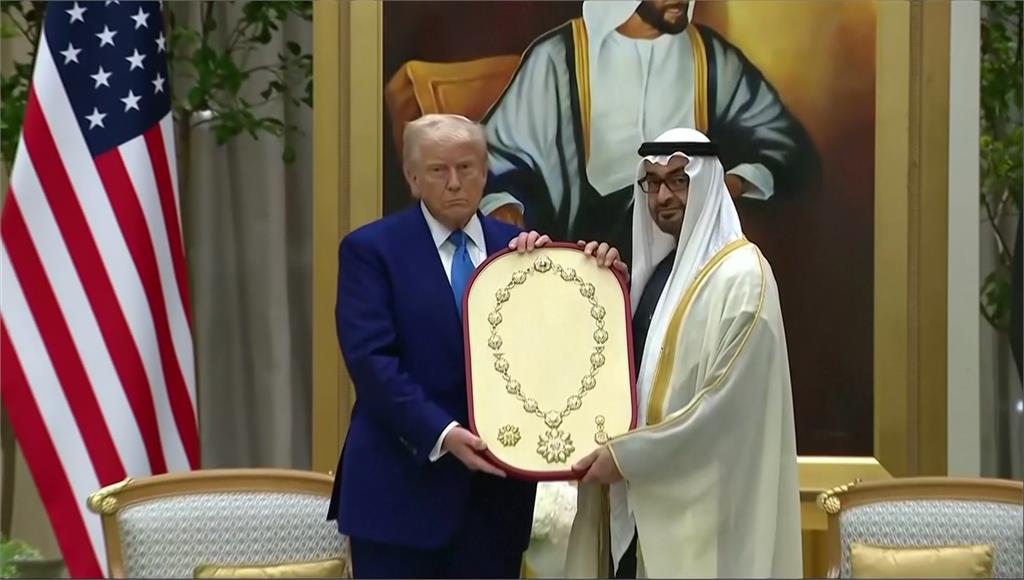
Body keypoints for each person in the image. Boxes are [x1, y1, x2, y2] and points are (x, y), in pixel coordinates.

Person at [563, 128, 803, 578]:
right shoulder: (661, 277)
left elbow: (723, 411)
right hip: (638, 506)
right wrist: (601, 292)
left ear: (707, 183)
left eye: (679, 180)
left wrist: (630, 456)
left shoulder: (742, 278)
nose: (663, 196)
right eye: (653, 182)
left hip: (703, 519)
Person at [327, 114, 548, 578]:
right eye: (437, 170)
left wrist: (593, 274)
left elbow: (549, 352)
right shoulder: (372, 250)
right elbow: (372, 363)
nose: (454, 183)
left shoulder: (522, 252)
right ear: (412, 178)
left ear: (484, 173)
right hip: (398, 495)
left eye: (466, 168)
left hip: (494, 506)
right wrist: (442, 432)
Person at [481, 0, 820, 263]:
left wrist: (730, 183)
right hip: (580, 259)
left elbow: (787, 146)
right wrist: (505, 205)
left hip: (679, 260)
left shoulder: (711, 59)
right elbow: (497, 157)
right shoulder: (557, 59)